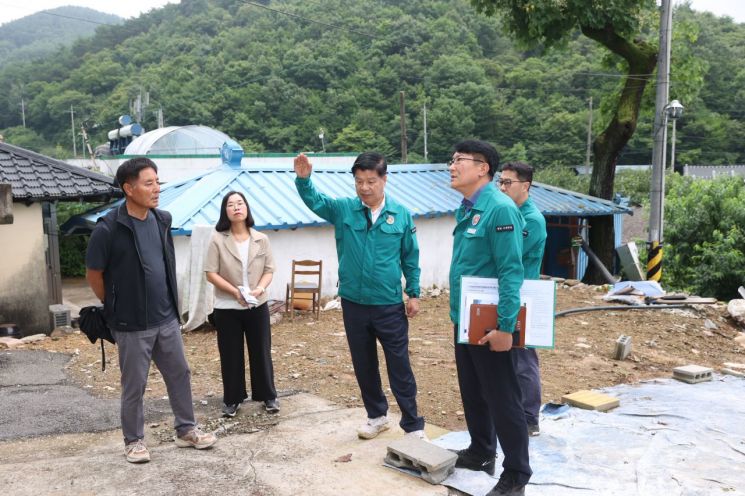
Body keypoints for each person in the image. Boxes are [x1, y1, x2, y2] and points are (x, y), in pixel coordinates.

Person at [85, 157, 216, 464]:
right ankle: (133, 441)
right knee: (134, 384)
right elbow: (94, 274)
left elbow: (164, 263)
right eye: (149, 183)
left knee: (180, 374)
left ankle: (186, 429)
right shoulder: (108, 229)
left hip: (166, 317)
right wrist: (114, 306)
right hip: (131, 324)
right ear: (128, 189)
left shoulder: (161, 220)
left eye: (158, 181)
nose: (157, 188)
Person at [293, 151, 425, 440]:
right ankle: (376, 416)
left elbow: (410, 257)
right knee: (364, 364)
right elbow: (317, 202)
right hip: (354, 304)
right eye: (359, 181)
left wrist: (413, 293)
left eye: (371, 181)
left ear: (384, 179)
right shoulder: (344, 210)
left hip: (389, 305)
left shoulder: (400, 214)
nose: (365, 187)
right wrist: (304, 181)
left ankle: (413, 426)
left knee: (399, 366)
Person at [448, 140, 531, 496]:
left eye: (458, 161)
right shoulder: (468, 208)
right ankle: (482, 450)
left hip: (491, 323)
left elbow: (511, 271)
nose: (451, 166)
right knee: (473, 390)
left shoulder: (499, 209)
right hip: (465, 318)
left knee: (502, 396)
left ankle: (516, 473)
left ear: (482, 168)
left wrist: (506, 328)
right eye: (451, 160)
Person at [204, 191, 279, 417]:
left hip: (257, 305)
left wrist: (259, 289)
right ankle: (232, 399)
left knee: (261, 351)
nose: (236, 207)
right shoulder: (217, 238)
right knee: (230, 353)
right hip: (227, 307)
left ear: (247, 208)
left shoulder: (261, 239)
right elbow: (211, 273)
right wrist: (234, 291)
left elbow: (269, 270)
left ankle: (268, 396)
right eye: (230, 204)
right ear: (225, 211)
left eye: (240, 203)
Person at [499, 162, 547, 437]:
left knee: (523, 358)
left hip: (523, 297)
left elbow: (508, 256)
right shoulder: (507, 212)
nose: (503, 187)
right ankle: (509, 411)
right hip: (505, 293)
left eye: (508, 183)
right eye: (501, 182)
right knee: (503, 357)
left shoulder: (532, 220)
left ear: (525, 186)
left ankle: (530, 417)